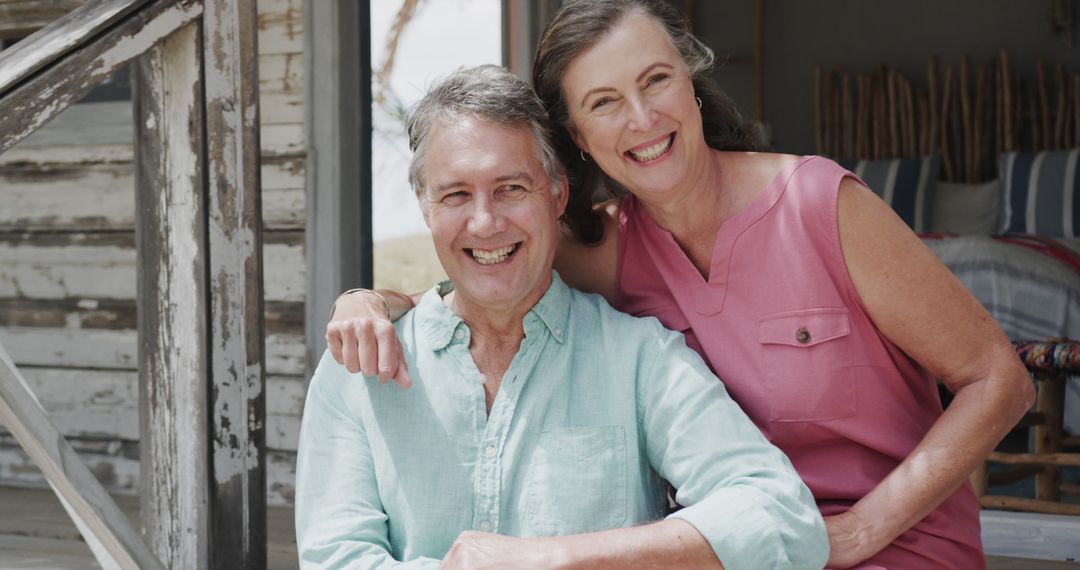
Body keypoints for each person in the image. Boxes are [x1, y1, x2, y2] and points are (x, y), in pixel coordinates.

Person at [325, 1, 1035, 567]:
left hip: (893, 546)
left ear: (691, 86)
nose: (642, 118)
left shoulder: (820, 204)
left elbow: (999, 381)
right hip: (731, 551)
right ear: (577, 137)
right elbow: (472, 281)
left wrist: (860, 530)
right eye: (604, 102)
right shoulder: (605, 248)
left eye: (656, 80)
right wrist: (365, 302)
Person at [296, 65, 828, 569]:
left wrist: (559, 558)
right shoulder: (359, 368)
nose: (485, 223)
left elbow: (785, 520)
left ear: (557, 194)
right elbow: (332, 559)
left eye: (511, 188)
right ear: (425, 207)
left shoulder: (639, 359)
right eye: (456, 194)